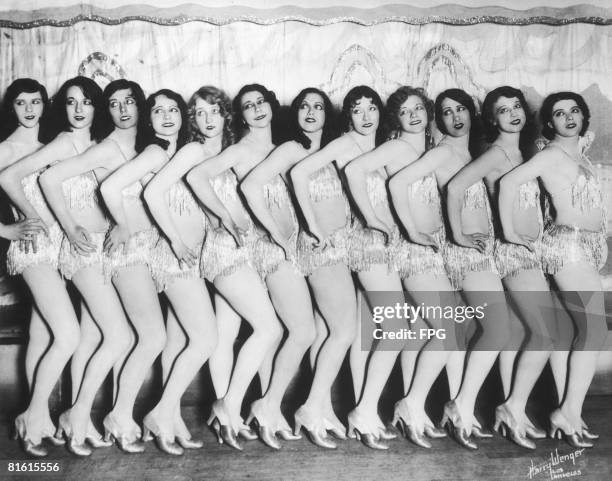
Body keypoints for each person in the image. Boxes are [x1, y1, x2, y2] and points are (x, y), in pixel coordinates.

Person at [499, 91, 607, 448]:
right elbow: (508, 183)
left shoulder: (582, 154)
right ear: (549, 123)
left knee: (573, 335)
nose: (570, 117)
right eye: (560, 114)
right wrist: (511, 234)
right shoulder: (551, 154)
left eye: (575, 111)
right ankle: (565, 411)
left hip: (585, 247)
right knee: (591, 331)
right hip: (568, 246)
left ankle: (531, 407)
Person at [346, 86, 450, 449]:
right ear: (397, 119)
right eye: (406, 111)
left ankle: (412, 406)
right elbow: (354, 169)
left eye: (419, 108)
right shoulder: (398, 147)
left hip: (424, 251)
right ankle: (370, 409)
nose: (415, 115)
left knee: (423, 330)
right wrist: (377, 220)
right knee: (416, 330)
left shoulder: (431, 150)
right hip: (405, 251)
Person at [185, 84, 282, 450]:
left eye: (214, 111)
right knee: (269, 328)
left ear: (227, 114)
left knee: (226, 334)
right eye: (199, 112)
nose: (207, 119)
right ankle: (229, 404)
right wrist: (225, 218)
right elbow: (195, 185)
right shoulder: (194, 152)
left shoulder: (232, 149)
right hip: (222, 250)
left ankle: (229, 418)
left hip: (243, 249)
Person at [239, 87, 337, 448]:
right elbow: (249, 186)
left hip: (300, 251)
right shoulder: (293, 148)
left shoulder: (318, 150)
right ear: (292, 113)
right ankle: (267, 405)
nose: (311, 112)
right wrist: (276, 234)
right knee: (303, 332)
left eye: (318, 106)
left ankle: (312, 408)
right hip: (276, 251)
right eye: (304, 106)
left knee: (314, 330)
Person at [289, 85, 383, 448]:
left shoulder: (367, 145)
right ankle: (311, 407)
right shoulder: (343, 144)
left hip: (346, 247)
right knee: (344, 331)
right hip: (322, 247)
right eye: (357, 109)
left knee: (332, 329)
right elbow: (299, 175)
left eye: (372, 107)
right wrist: (313, 225)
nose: (366, 115)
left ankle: (324, 408)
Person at [94, 80, 168, 453]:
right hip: (131, 252)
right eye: (114, 103)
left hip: (150, 252)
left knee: (347, 332)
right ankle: (119, 414)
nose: (124, 109)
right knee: (153, 336)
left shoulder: (147, 147)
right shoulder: (111, 147)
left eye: (130, 102)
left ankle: (362, 409)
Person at [0, 78, 64, 457]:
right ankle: (32, 415)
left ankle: (41, 422)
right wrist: (6, 230)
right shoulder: (4, 149)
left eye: (35, 101)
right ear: (12, 108)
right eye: (21, 102)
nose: (29, 109)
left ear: (44, 104)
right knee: (67, 332)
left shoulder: (49, 148)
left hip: (57, 252)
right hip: (31, 252)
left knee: (42, 335)